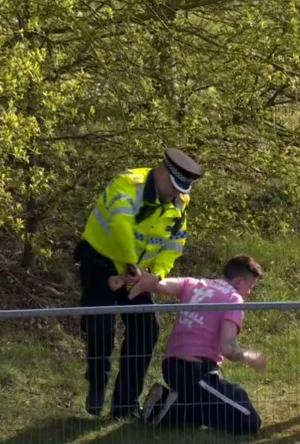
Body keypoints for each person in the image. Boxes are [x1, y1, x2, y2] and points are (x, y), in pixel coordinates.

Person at [73, 147, 204, 419]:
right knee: (101, 328)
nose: (178, 195)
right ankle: (97, 383)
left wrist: (155, 276)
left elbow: (174, 244)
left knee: (146, 328)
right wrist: (129, 267)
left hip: (136, 271)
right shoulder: (128, 185)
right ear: (163, 173)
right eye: (175, 186)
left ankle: (125, 404)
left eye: (183, 190)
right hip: (99, 261)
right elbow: (120, 226)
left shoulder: (179, 201)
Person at [135, 255, 266, 436]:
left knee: (216, 400)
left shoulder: (194, 283)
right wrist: (249, 357)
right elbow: (227, 347)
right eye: (250, 287)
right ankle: (174, 407)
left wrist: (148, 279)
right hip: (196, 372)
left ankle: (178, 403)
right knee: (249, 421)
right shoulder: (233, 299)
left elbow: (161, 284)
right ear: (239, 282)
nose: (249, 292)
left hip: (171, 367)